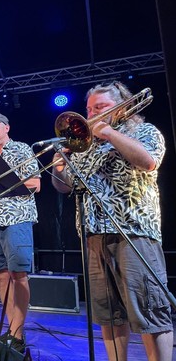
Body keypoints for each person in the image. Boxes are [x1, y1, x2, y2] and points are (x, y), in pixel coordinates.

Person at [51, 81, 173, 361]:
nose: (91, 114)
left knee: (150, 311)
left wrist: (107, 132)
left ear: (124, 107)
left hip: (133, 231)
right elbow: (65, 186)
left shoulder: (144, 131)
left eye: (100, 107)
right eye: (89, 108)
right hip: (94, 235)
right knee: (109, 315)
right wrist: (59, 165)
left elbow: (149, 161)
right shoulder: (85, 147)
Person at [0, 113, 41, 354]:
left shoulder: (21, 149)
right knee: (1, 276)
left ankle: (18, 331)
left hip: (17, 218)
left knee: (19, 274)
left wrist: (2, 182)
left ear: (7, 127)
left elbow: (36, 184)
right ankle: (12, 328)